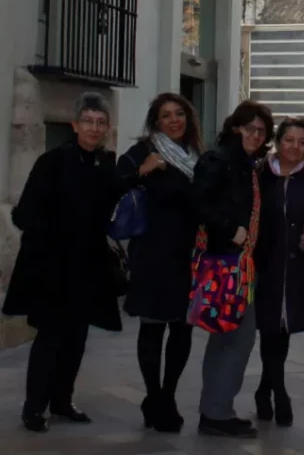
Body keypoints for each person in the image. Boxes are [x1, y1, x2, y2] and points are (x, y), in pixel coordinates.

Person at [4, 92, 123, 433]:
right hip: (52, 268)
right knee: (50, 339)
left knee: (76, 340)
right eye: (88, 121)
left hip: (86, 269)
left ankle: (62, 401)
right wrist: (59, 232)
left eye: (100, 122)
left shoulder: (105, 164)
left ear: (107, 127)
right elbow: (24, 213)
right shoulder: (52, 162)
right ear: (75, 125)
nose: (94, 128)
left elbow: (113, 200)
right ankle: (34, 407)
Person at [116, 93, 203, 433]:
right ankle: (154, 396)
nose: (173, 120)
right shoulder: (141, 153)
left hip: (188, 255)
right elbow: (113, 187)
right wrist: (142, 171)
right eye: (165, 115)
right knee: (152, 328)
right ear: (155, 122)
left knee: (182, 329)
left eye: (179, 113)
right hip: (152, 255)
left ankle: (166, 396)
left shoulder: (197, 157)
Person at [192, 100, 274, 438]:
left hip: (237, 265)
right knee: (236, 338)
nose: (255, 135)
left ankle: (215, 408)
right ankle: (216, 412)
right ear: (235, 127)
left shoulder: (243, 163)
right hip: (227, 264)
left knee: (226, 338)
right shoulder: (221, 160)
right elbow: (198, 203)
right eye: (249, 128)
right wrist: (230, 230)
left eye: (261, 130)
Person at [254, 117, 304, 427]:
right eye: (289, 140)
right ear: (277, 142)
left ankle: (265, 388)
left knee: (282, 330)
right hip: (264, 265)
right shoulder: (259, 175)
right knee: (268, 328)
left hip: (297, 266)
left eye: (301, 142)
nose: (295, 147)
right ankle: (278, 391)